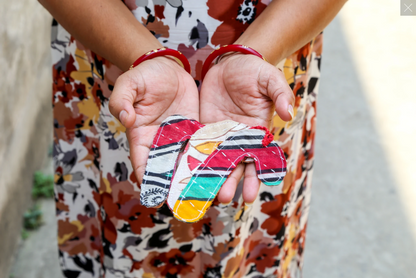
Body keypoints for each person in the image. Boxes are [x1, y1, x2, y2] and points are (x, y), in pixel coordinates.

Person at [39, 0, 346, 277]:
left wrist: (258, 49)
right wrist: (140, 54)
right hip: (113, 56)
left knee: (246, 240)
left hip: (270, 61)